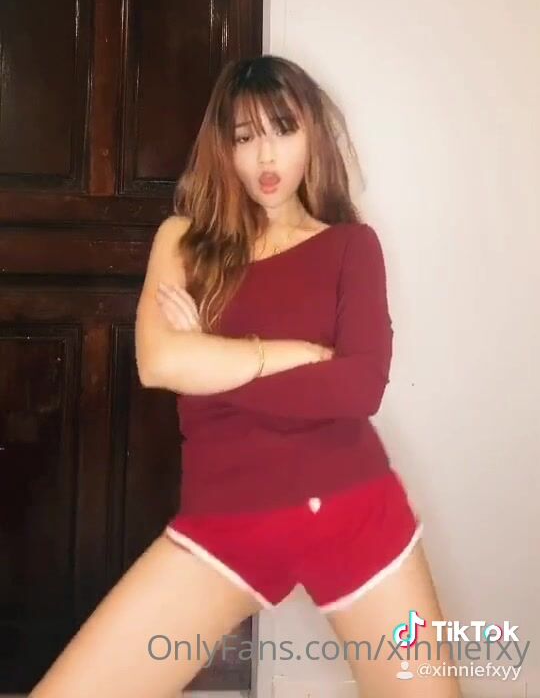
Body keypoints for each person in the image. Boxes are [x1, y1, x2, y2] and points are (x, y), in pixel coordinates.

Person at [31, 55, 462, 697]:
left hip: (352, 510)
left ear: (312, 134)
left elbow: (358, 388)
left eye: (283, 129)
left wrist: (211, 358)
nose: (265, 155)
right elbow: (160, 363)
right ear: (224, 148)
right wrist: (297, 355)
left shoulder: (351, 246)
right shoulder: (183, 241)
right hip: (224, 521)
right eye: (244, 136)